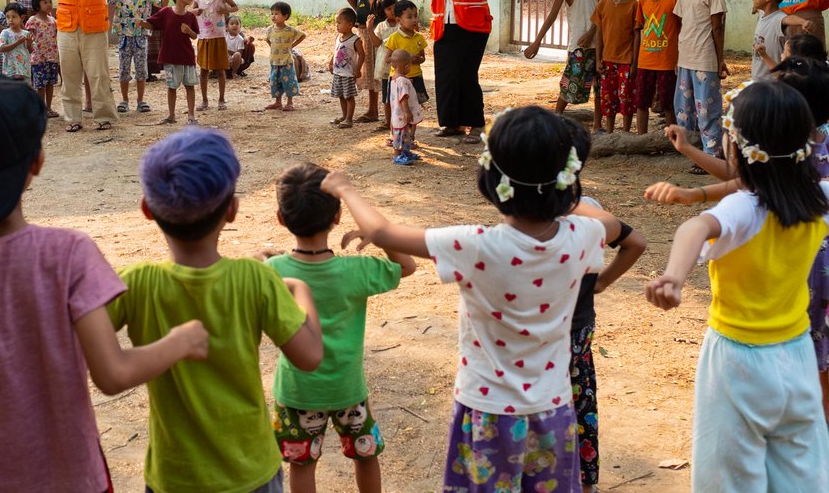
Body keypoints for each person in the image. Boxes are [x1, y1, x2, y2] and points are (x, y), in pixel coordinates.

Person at [0, 75, 209, 492]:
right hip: (72, 479)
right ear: (35, 163)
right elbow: (111, 374)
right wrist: (181, 340)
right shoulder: (67, 253)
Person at [320, 106, 625, 493]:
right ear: (568, 177)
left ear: (491, 175)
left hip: (489, 412)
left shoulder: (476, 245)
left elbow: (382, 232)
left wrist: (345, 188)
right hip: (554, 409)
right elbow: (615, 226)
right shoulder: (584, 235)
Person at [107, 127, 323, 493]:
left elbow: (71, 331)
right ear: (233, 210)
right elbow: (310, 356)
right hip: (250, 471)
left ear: (147, 209)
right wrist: (300, 289)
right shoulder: (256, 279)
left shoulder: (134, 283)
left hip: (174, 476)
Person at [645, 81, 829, 491]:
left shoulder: (744, 207)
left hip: (736, 360)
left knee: (726, 473)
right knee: (800, 467)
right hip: (797, 354)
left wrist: (674, 277)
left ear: (735, 147)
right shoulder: (816, 198)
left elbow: (696, 227)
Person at [265, 162, 416, 493]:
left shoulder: (273, 271)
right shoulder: (357, 270)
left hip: (297, 391)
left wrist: (271, 260)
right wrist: (377, 235)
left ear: (281, 218)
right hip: (348, 389)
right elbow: (407, 266)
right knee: (365, 456)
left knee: (302, 464)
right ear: (337, 218)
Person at [0, 0, 165, 131]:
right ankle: (73, 118)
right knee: (70, 75)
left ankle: (103, 116)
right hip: (67, 30)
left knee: (98, 75)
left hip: (94, 30)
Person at [558, 121, 647, 493]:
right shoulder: (591, 209)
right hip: (578, 327)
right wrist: (605, 280)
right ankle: (584, 481)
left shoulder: (526, 215)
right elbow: (636, 243)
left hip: (542, 333)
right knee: (579, 402)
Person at [414, 0, 511, 141]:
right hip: (444, 28)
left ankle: (476, 125)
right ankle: (451, 123)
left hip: (472, 29)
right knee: (445, 77)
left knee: (466, 75)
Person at [524, 0, 603, 116]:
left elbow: (602, 13)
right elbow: (552, 16)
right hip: (579, 46)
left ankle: (598, 124)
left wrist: (592, 32)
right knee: (571, 83)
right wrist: (537, 42)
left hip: (599, 43)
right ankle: (557, 116)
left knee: (600, 87)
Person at [673, 0, 728, 165]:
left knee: (706, 108)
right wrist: (677, 57)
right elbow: (681, 24)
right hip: (685, 58)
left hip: (705, 60)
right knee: (684, 108)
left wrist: (719, 59)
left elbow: (718, 28)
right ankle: (690, 150)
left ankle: (712, 155)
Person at [338, 0, 394, 123]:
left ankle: (374, 110)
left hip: (376, 29)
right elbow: (357, 4)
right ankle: (372, 110)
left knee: (376, 70)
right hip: (362, 28)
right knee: (367, 68)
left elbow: (387, 3)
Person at [142, 0, 200, 126]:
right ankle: (171, 115)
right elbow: (152, 23)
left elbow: (195, 36)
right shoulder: (166, 12)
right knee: (171, 87)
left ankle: (191, 115)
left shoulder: (190, 16)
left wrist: (188, 31)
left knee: (190, 86)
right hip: (170, 56)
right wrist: (141, 23)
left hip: (187, 56)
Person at [591, 0, 640, 133]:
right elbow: (599, 34)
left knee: (626, 98)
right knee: (608, 98)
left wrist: (634, 62)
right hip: (607, 61)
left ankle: (626, 132)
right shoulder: (603, 5)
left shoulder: (634, 5)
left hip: (626, 61)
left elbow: (636, 35)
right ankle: (610, 132)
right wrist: (598, 59)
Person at [635, 0, 681, 134]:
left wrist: (680, 57)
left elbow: (683, 28)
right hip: (645, 61)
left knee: (668, 102)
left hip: (668, 62)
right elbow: (639, 30)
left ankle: (671, 137)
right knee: (641, 101)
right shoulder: (643, 0)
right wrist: (635, 60)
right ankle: (640, 137)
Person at [108, 0, 161, 113]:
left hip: (141, 36)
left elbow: (160, 2)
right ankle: (124, 100)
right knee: (124, 69)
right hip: (124, 37)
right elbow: (104, 1)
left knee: (141, 69)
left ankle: (140, 100)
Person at [192, 0, 238, 111]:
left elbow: (235, 7)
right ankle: (204, 101)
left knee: (220, 70)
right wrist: (195, 11)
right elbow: (191, 11)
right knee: (204, 70)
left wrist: (226, 9)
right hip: (204, 38)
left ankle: (221, 100)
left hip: (218, 37)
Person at [381, 0, 429, 119]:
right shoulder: (394, 38)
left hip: (415, 76)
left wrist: (416, 59)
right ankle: (395, 126)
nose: (414, 20)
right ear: (398, 20)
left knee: (414, 103)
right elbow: (387, 59)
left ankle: (411, 129)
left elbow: (423, 58)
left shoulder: (419, 37)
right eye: (409, 17)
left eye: (416, 16)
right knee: (398, 103)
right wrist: (402, 59)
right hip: (398, 78)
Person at [265, 1, 306, 112]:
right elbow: (268, 40)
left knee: (289, 82)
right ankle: (278, 102)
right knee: (275, 82)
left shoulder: (290, 30)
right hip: (274, 61)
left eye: (277, 14)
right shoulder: (269, 30)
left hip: (286, 61)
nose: (273, 16)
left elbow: (302, 35)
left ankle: (289, 103)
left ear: (285, 16)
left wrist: (292, 46)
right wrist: (273, 48)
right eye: (272, 13)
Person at [367, 0, 400, 130]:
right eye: (388, 9)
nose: (392, 11)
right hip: (386, 66)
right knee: (387, 96)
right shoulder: (381, 26)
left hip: (401, 65)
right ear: (383, 12)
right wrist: (369, 28)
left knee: (400, 94)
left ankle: (400, 120)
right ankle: (388, 121)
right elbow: (376, 43)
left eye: (394, 7)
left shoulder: (402, 23)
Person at [753, 0, 794, 80]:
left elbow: (788, 19)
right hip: (758, 80)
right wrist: (755, 7)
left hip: (772, 84)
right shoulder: (763, 14)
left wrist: (803, 22)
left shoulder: (779, 19)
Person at [26, 0, 61, 117]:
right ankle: (41, 109)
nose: (48, 4)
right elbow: (29, 38)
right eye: (45, 2)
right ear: (37, 4)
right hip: (39, 58)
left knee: (50, 83)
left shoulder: (53, 20)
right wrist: (30, 50)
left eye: (50, 1)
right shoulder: (33, 20)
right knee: (40, 85)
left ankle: (49, 108)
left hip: (52, 57)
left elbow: (57, 36)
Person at [328, 8, 363, 128]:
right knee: (341, 95)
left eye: (339, 23)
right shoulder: (338, 37)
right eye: (336, 23)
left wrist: (358, 68)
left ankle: (349, 119)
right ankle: (344, 116)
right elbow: (336, 50)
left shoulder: (355, 40)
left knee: (349, 96)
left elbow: (362, 54)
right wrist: (331, 62)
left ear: (349, 24)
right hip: (338, 72)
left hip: (348, 73)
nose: (337, 25)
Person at [388, 50, 422, 166]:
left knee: (405, 135)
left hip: (397, 114)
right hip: (402, 114)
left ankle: (406, 152)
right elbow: (403, 97)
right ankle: (397, 155)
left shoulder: (395, 78)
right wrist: (407, 112)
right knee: (400, 135)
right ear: (407, 65)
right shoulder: (402, 81)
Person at [0, 2, 32, 81]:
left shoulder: (26, 33)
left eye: (14, 17)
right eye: (8, 17)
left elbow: (31, 51)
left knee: (24, 91)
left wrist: (29, 44)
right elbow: (1, 48)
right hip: (10, 71)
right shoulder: (5, 33)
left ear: (22, 18)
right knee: (11, 91)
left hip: (24, 70)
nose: (10, 20)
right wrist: (17, 43)